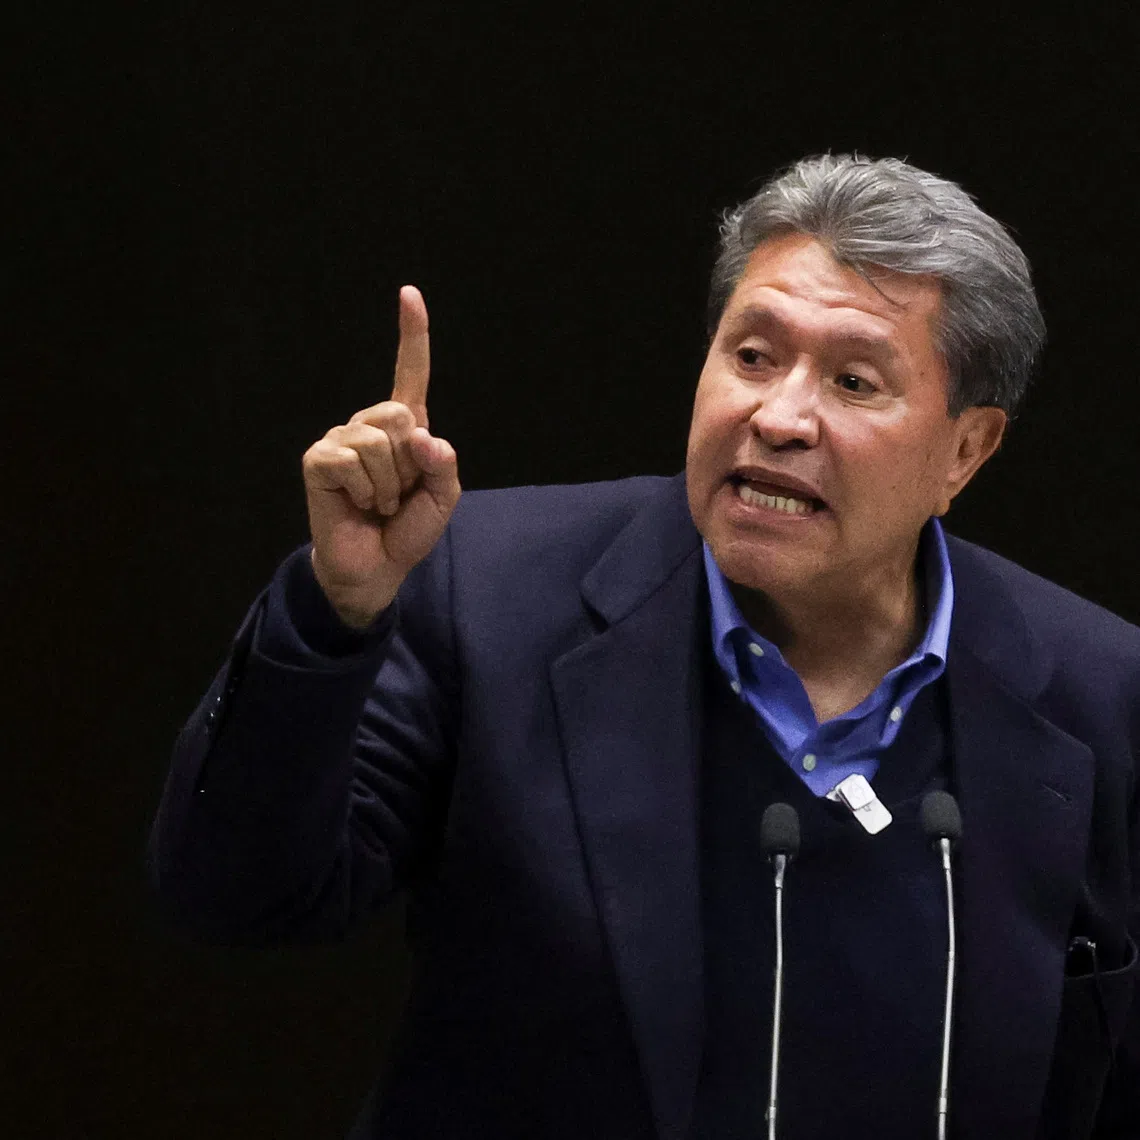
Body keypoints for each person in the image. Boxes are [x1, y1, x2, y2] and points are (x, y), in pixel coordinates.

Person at [149, 155, 1140, 1139]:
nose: (780, 417)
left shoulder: (1100, 695)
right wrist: (338, 609)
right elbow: (240, 897)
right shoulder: (487, 595)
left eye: (852, 380)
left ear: (967, 449)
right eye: (752, 356)